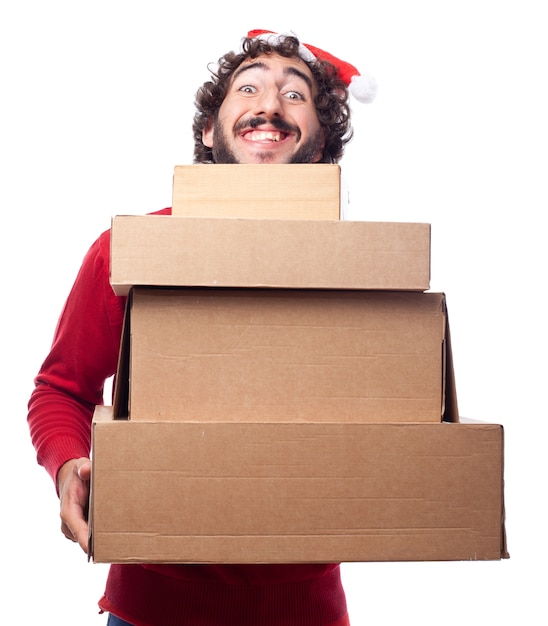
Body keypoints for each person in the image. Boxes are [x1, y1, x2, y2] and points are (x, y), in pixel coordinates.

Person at [27, 29, 376, 626]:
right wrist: (66, 466)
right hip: (149, 610)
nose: (270, 104)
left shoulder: (364, 268)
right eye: (248, 88)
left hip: (306, 611)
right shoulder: (128, 252)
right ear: (212, 131)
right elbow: (60, 389)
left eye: (296, 96)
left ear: (319, 145)